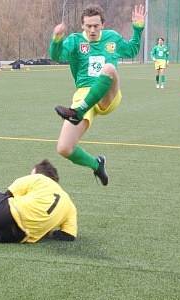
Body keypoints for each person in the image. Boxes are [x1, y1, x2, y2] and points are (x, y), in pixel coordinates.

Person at [49, 4, 146, 186]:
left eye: (96, 26)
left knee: (108, 68)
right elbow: (57, 56)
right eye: (88, 26)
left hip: (108, 94)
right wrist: (57, 39)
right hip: (84, 95)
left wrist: (138, 29)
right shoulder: (75, 40)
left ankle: (78, 112)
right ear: (82, 25)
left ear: (103, 24)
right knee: (64, 148)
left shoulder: (112, 38)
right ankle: (96, 164)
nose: (92, 30)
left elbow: (132, 50)